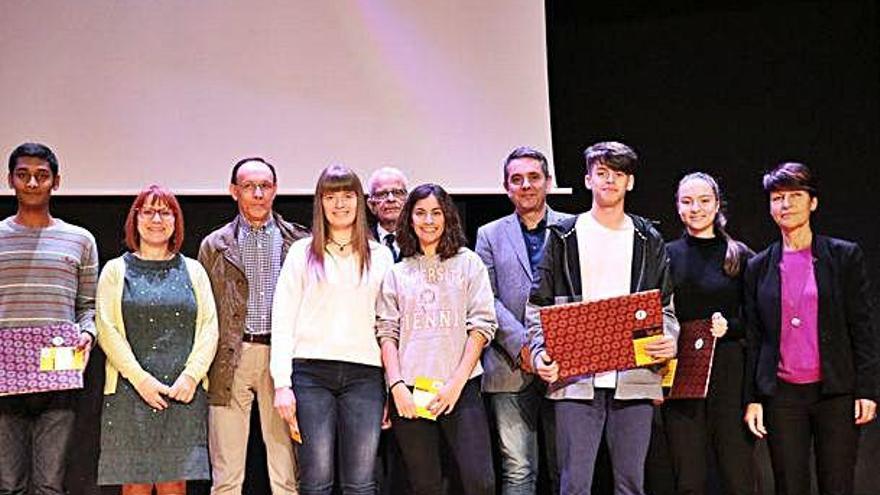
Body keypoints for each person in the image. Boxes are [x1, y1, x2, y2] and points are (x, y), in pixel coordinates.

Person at [527, 141, 679, 495]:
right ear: (587, 179)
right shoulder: (563, 236)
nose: (610, 180)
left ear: (630, 183)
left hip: (635, 377)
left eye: (619, 174)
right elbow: (538, 305)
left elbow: (666, 307)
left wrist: (668, 340)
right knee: (574, 484)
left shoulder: (647, 237)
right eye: (602, 173)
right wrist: (539, 354)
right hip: (576, 379)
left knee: (630, 483)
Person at [743, 162, 878, 495]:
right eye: (777, 198)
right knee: (789, 485)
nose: (785, 205)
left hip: (834, 391)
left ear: (812, 203)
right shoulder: (758, 266)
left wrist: (867, 390)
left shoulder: (843, 256)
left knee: (837, 484)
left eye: (795, 196)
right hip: (782, 395)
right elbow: (755, 336)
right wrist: (754, 399)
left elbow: (862, 325)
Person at [271, 164, 394, 495]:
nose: (340, 204)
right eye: (331, 196)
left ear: (360, 201)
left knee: (361, 482)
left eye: (348, 195)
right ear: (320, 203)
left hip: (366, 377)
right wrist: (282, 385)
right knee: (316, 481)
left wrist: (391, 384)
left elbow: (390, 327)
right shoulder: (301, 253)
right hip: (310, 376)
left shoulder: (381, 257)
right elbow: (282, 320)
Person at [95, 185, 218, 494]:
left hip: (182, 392)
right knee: (135, 485)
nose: (156, 219)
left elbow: (209, 328)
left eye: (165, 212)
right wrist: (141, 380)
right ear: (135, 220)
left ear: (176, 221)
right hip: (129, 391)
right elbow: (107, 330)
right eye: (148, 211)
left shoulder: (194, 270)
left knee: (174, 484)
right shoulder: (115, 271)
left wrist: (191, 377)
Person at [376, 183, 497, 495]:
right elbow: (387, 332)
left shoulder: (468, 262)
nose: (428, 221)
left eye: (436, 213)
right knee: (425, 484)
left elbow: (482, 326)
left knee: (479, 482)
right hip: (412, 390)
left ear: (447, 217)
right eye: (420, 213)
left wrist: (456, 383)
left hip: (460, 387)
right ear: (409, 219)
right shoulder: (397, 272)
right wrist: (396, 386)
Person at [198, 157, 307, 494]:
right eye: (249, 186)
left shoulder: (300, 241)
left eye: (265, 186)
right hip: (231, 357)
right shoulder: (215, 245)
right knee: (227, 471)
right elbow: (205, 308)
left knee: (286, 469)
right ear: (234, 191)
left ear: (275, 190)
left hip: (283, 360)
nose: (258, 194)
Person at [0, 142, 98, 495]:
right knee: (8, 483)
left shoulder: (79, 240)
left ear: (56, 182)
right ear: (10, 180)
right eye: (23, 175)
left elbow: (88, 305)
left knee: (49, 484)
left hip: (57, 370)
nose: (31, 183)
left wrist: (87, 334)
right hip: (4, 371)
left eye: (41, 176)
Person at [475, 147, 569, 494]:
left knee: (567, 469)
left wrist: (552, 347)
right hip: (508, 365)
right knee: (517, 470)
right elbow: (488, 299)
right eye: (517, 179)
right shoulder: (489, 234)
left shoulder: (571, 228)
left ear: (548, 182)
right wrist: (525, 348)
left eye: (533, 177)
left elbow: (578, 293)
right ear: (506, 187)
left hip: (565, 365)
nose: (526, 185)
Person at [660, 172, 755, 495]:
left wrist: (731, 326)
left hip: (730, 374)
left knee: (737, 473)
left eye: (703, 201)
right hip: (682, 372)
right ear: (677, 207)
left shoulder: (740, 255)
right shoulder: (665, 254)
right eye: (687, 201)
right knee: (688, 477)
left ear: (717, 205)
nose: (695, 208)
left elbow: (759, 320)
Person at [367, 166, 409, 262]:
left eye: (398, 192)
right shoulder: (362, 241)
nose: (391, 199)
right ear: (371, 205)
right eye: (382, 194)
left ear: (407, 202)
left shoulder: (420, 238)